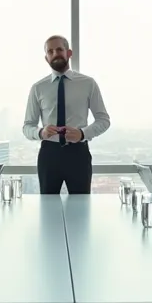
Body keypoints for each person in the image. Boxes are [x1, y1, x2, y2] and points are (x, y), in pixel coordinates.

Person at [22, 35, 111, 194]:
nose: (55, 54)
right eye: (50, 51)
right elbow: (27, 126)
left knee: (81, 208)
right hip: (49, 154)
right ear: (46, 58)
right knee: (47, 209)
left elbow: (104, 120)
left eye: (59, 49)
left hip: (78, 154)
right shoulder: (38, 88)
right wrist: (41, 132)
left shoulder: (88, 83)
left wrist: (82, 134)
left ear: (69, 53)